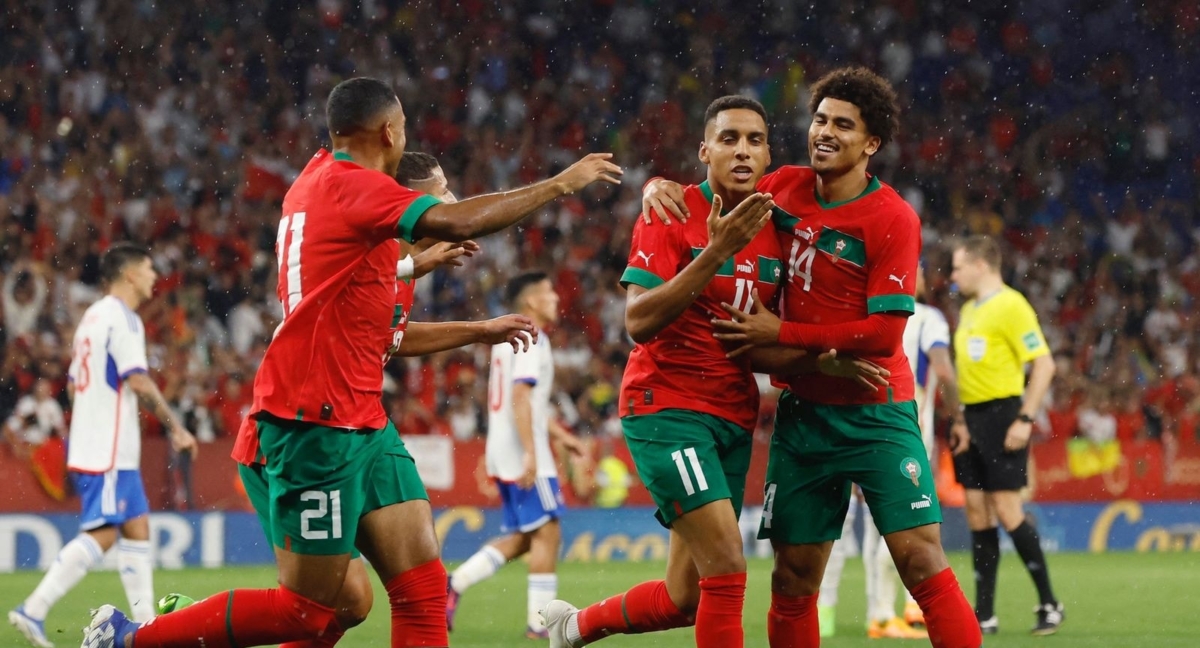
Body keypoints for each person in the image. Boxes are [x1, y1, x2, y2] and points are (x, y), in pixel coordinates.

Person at [82, 76, 621, 648]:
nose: (445, 200)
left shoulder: (320, 182)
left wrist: (468, 319)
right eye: (404, 129)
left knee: (419, 589)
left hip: (361, 418)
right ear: (388, 132)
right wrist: (561, 183)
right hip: (314, 422)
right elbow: (459, 223)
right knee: (309, 611)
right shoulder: (352, 186)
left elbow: (379, 330)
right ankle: (127, 639)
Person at [643, 67, 982, 648]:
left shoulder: (893, 218)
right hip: (804, 416)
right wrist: (656, 185)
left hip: (877, 410)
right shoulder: (783, 189)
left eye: (843, 125)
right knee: (794, 579)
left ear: (871, 143)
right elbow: (718, 179)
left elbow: (883, 334)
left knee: (920, 559)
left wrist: (783, 330)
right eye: (820, 120)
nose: (825, 132)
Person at [541, 95, 784, 648]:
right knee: (728, 564)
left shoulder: (777, 221)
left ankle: (573, 627)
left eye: (755, 140)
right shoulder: (670, 212)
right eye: (728, 139)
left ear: (770, 155)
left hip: (733, 417)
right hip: (668, 409)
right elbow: (638, 321)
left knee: (685, 598)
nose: (742, 150)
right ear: (704, 151)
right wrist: (714, 252)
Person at [8, 243, 198, 648]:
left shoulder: (90, 319)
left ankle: (147, 626)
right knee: (105, 533)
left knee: (137, 527)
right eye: (148, 269)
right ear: (129, 274)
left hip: (99, 444)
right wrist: (176, 428)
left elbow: (74, 387)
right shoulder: (123, 319)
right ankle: (34, 609)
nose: (154, 277)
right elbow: (138, 380)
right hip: (108, 449)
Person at [815, 266, 967, 640]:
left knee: (847, 523)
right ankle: (885, 612)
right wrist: (959, 417)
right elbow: (944, 371)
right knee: (900, 525)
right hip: (902, 435)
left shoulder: (864, 313)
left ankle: (834, 612)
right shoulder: (927, 318)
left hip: (850, 426)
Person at [447, 271, 587, 640]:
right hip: (522, 451)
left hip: (501, 448)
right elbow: (521, 397)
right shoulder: (532, 336)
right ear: (531, 301)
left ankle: (455, 582)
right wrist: (531, 454)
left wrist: (562, 437)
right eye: (549, 292)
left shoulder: (505, 336)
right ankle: (540, 625)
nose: (556, 298)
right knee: (548, 533)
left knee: (525, 537)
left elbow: (526, 402)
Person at [949, 235, 1063, 636]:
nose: (952, 275)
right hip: (970, 418)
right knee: (977, 511)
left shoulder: (1012, 305)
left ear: (981, 265)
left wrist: (1025, 418)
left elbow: (1044, 364)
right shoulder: (968, 310)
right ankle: (985, 614)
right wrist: (960, 420)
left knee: (1007, 508)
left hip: (1003, 415)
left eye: (958, 267)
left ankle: (1050, 603)